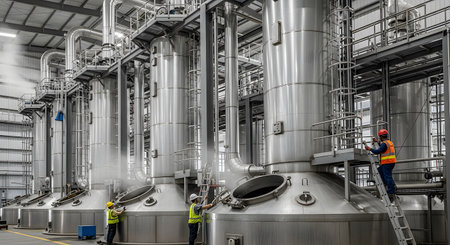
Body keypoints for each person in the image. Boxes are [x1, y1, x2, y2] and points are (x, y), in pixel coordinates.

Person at [365, 129, 397, 202]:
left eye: (379, 137)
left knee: (388, 176)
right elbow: (383, 147)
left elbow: (378, 151)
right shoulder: (388, 142)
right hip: (389, 162)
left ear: (381, 137)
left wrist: (369, 149)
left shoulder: (384, 143)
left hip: (387, 162)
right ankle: (386, 183)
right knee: (379, 171)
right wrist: (377, 142)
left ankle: (391, 191)